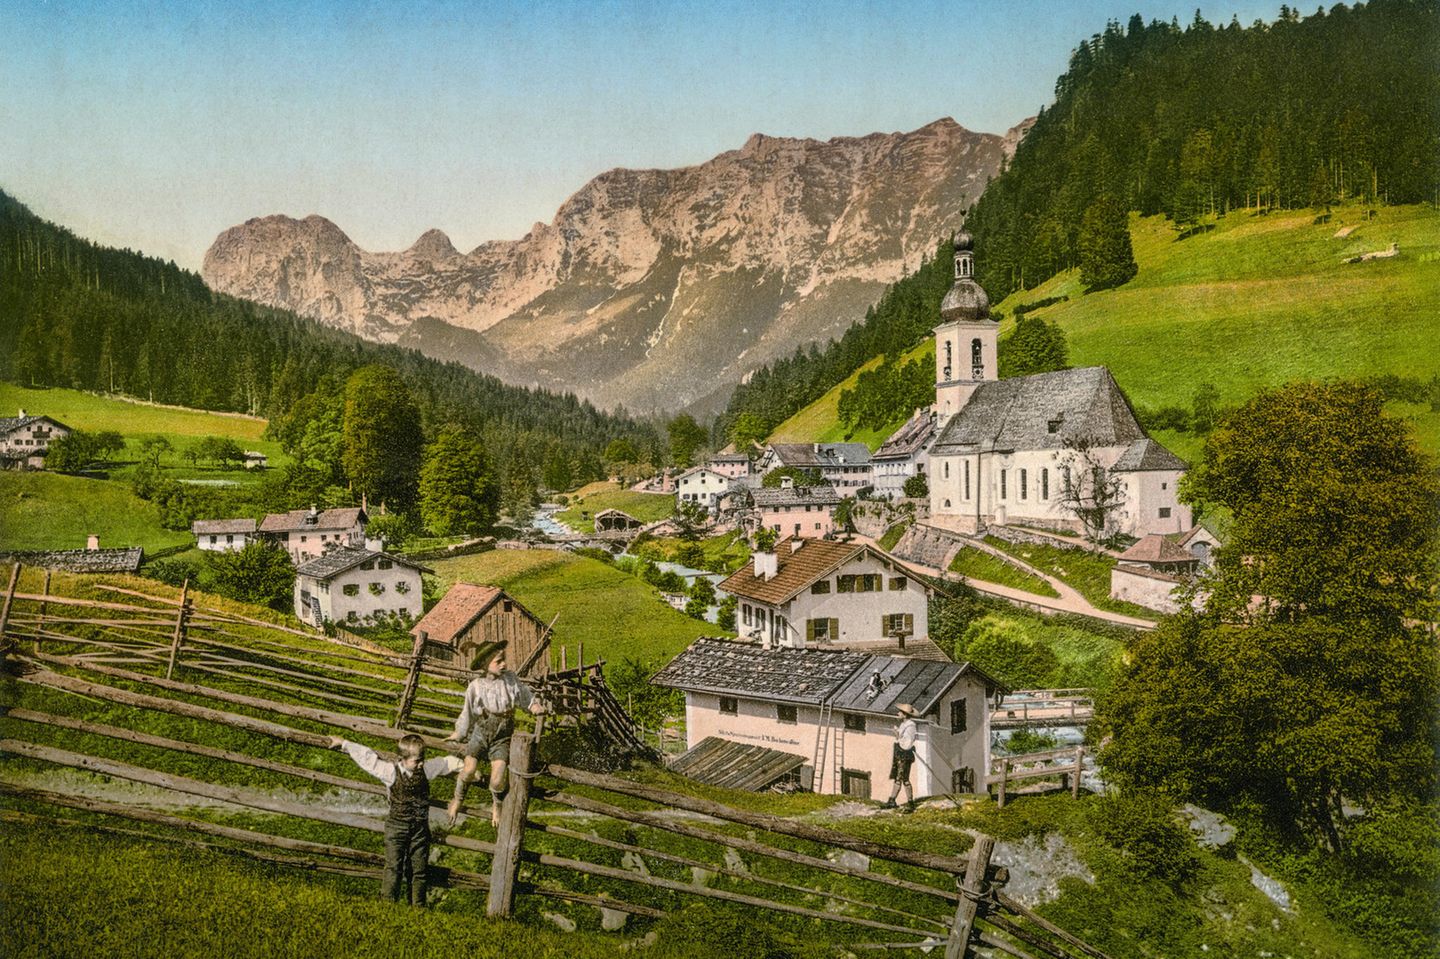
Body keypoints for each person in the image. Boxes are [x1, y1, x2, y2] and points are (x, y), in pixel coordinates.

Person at [331, 732, 461, 906]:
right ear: (403, 759)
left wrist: (467, 769)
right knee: (394, 867)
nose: (420, 764)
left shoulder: (427, 769)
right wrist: (344, 743)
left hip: (420, 830)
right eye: (416, 761)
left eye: (422, 759)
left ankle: (417, 907)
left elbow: (447, 762)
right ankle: (388, 904)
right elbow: (368, 759)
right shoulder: (390, 772)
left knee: (419, 870)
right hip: (396, 827)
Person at [445, 640, 546, 827]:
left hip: (503, 734)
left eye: (504, 660)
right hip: (481, 732)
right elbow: (466, 712)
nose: (504, 664)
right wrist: (459, 733)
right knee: (468, 770)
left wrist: (534, 706)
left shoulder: (510, 679)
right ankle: (458, 798)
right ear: (485, 664)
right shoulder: (475, 686)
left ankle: (496, 804)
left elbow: (525, 696)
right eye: (498, 661)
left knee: (498, 779)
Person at [881, 702, 919, 810]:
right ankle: (902, 801)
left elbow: (907, 742)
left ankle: (897, 801)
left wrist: (897, 736)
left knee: (902, 778)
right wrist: (897, 734)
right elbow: (902, 738)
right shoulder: (904, 724)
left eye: (900, 712)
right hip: (900, 753)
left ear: (905, 715)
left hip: (904, 754)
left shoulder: (910, 726)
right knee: (900, 778)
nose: (898, 713)